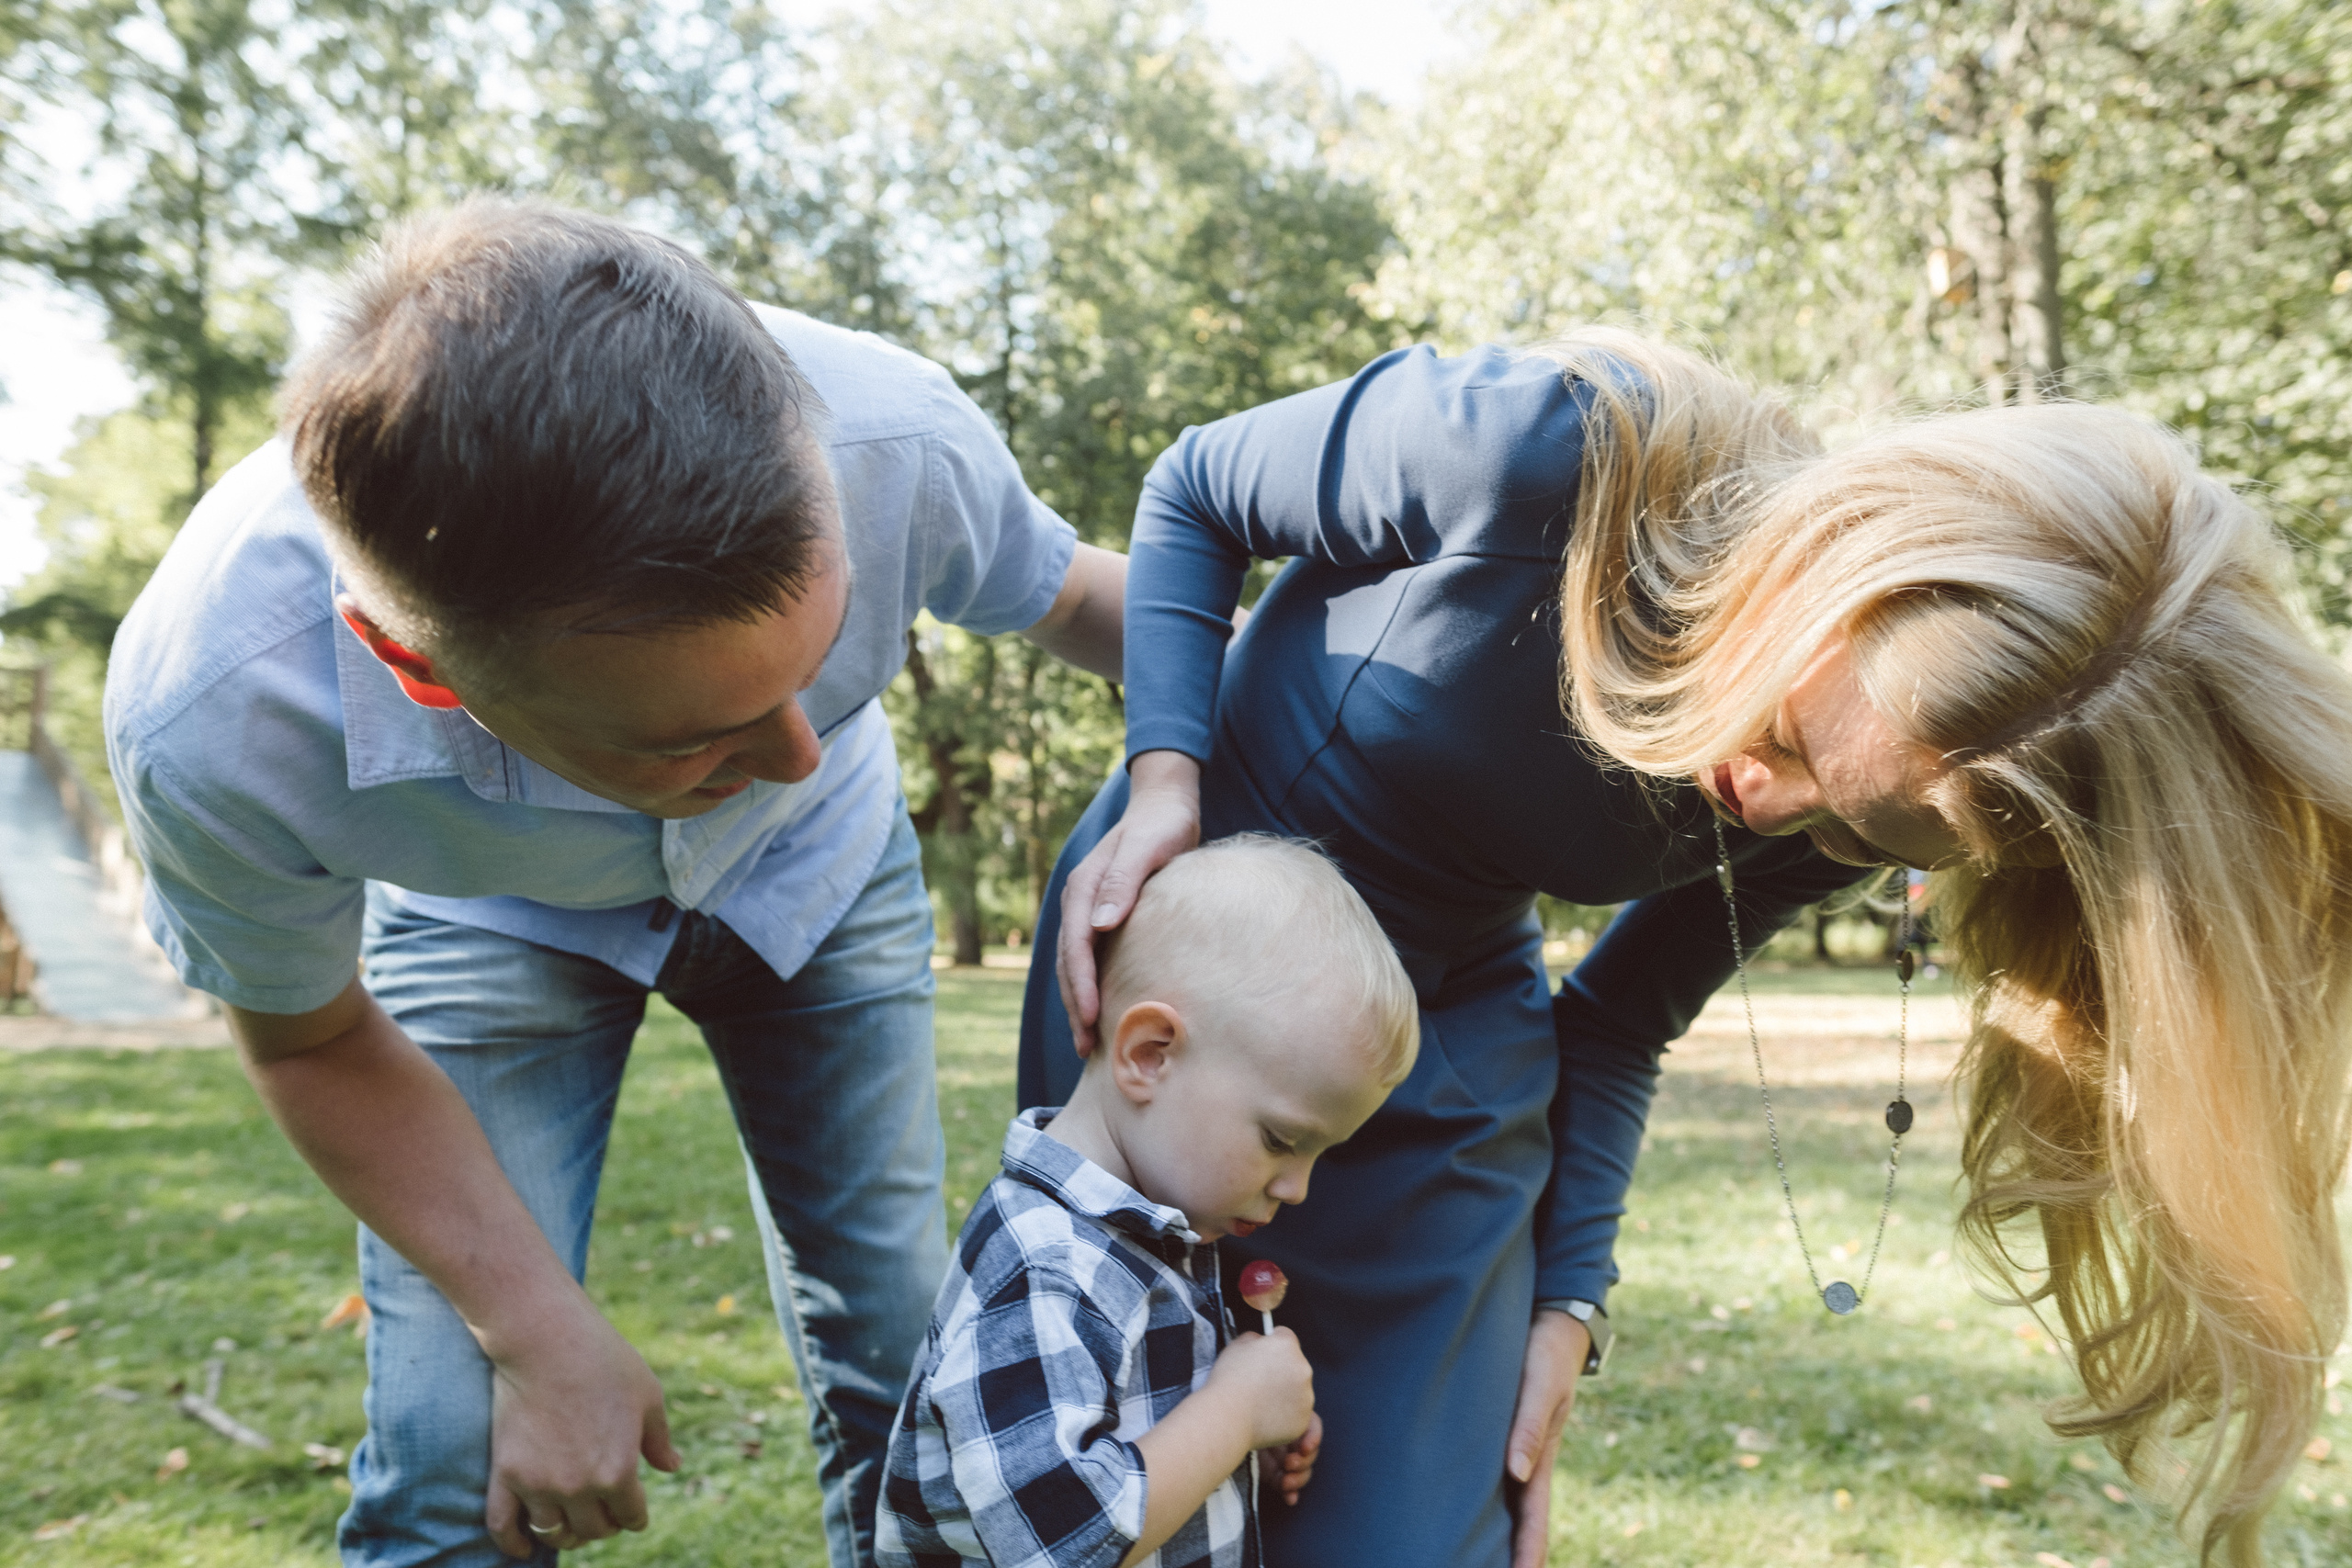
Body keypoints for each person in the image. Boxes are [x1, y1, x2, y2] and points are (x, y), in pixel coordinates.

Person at [1028, 328, 2352, 1568]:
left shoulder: (1860, 800)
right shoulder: (1548, 454)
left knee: (1417, 1527)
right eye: (1783, 733)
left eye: (1847, 812)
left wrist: (1571, 1299)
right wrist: (1162, 788)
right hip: (1201, 958)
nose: (1772, 804)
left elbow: (1615, 1019)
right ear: (1825, 570)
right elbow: (1197, 487)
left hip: (1454, 1043)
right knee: (1121, 1468)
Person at [103, 197, 1125, 1568]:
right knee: (450, 1451)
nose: (792, 748)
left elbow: (1077, 600)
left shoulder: (897, 437)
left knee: (908, 1365)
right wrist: (532, 1324)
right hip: (483, 923)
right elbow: (310, 1036)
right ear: (424, 671)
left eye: (809, 664)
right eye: (692, 733)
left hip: (823, 883)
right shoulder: (216, 712)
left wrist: (1323, 724)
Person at [880, 836, 1419, 1568]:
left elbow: (1129, 1451)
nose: (1298, 1187)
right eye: (1282, 1138)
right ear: (1150, 1054)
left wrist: (1236, 1465)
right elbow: (1068, 1541)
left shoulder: (1158, 1236)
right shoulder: (1042, 1263)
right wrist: (1233, 1414)